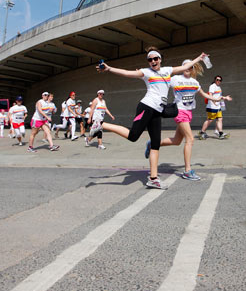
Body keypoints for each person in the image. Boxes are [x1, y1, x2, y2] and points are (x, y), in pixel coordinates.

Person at [97, 46, 207, 189]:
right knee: (133, 136)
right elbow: (126, 73)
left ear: (160, 59)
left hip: (157, 111)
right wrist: (109, 68)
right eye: (150, 59)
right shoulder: (146, 72)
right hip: (146, 107)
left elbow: (185, 66)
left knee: (155, 144)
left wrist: (199, 58)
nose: (153, 61)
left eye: (155, 58)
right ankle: (101, 124)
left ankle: (153, 178)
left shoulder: (167, 70)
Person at [145, 59, 232, 180]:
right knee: (190, 139)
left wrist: (222, 99)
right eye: (185, 66)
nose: (187, 68)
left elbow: (206, 95)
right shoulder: (175, 79)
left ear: (193, 69)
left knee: (176, 141)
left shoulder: (195, 83)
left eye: (190, 67)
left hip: (189, 113)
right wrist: (146, 75)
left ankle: (152, 144)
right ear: (182, 67)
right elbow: (160, 82)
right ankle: (187, 171)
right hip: (179, 111)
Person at [198, 75, 229, 139]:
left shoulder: (219, 87)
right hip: (211, 107)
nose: (218, 81)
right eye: (217, 79)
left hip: (218, 107)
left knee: (220, 119)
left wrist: (225, 98)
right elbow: (210, 95)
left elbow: (219, 96)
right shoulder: (212, 86)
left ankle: (220, 133)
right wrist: (214, 102)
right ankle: (202, 132)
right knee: (209, 120)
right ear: (215, 80)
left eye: (220, 80)